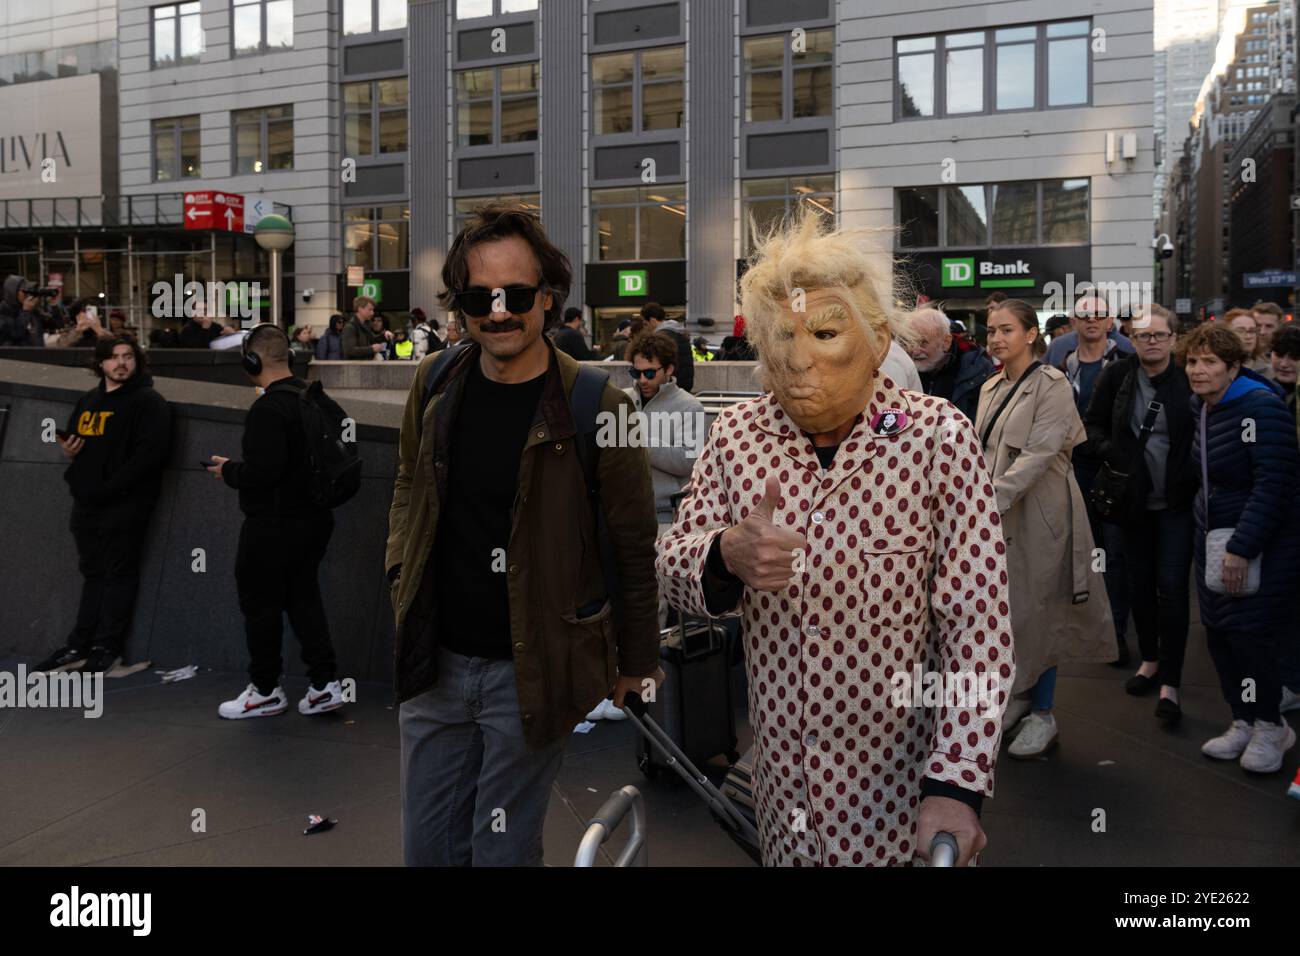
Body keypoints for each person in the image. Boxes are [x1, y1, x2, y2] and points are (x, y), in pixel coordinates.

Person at [656, 211, 1016, 867]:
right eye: (780, 337)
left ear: (879, 341)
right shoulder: (735, 437)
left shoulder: (939, 438)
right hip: (784, 804)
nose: (798, 360)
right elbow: (675, 562)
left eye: (825, 332)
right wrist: (726, 553)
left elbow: (978, 624)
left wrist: (957, 785)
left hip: (900, 806)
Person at [386, 201, 662, 866]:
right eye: (480, 296)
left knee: (501, 850)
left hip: (533, 669)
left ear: (546, 296)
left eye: (515, 293)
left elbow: (632, 542)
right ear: (460, 303)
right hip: (436, 664)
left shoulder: (600, 404)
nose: (499, 310)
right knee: (427, 849)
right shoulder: (435, 381)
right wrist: (400, 569)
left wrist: (637, 662)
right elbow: (404, 483)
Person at [976, 298, 1114, 759]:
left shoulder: (1053, 384)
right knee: (1010, 612)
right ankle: (1020, 696)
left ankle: (1044, 714)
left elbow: (1038, 454)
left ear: (1031, 334)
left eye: (1006, 330)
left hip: (1042, 514)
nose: (996, 338)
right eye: (991, 330)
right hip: (1002, 514)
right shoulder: (990, 386)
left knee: (1045, 610)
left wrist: (984, 503)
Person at [206, 324, 346, 720]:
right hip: (315, 521)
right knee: (303, 597)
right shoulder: (313, 397)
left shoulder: (268, 409)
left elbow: (261, 474)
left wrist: (229, 470)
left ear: (252, 360)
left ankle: (265, 690)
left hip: (272, 526)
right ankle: (323, 685)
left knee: (261, 605)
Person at [1182, 322, 1300, 773]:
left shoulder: (1260, 408)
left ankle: (1273, 726)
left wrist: (1243, 546)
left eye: (1210, 361)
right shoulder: (1204, 407)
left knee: (1252, 639)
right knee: (1220, 636)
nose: (1198, 369)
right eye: (1193, 361)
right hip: (1213, 539)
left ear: (1233, 367)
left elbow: (1275, 484)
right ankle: (1244, 719)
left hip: (1259, 543)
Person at [32, 335, 172, 675]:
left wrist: (109, 489)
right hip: (87, 504)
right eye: (113, 357)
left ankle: (106, 649)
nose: (121, 362)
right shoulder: (88, 400)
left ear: (137, 361)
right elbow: (78, 445)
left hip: (125, 506)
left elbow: (148, 458)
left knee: (118, 575)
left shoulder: (148, 402)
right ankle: (78, 645)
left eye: (127, 356)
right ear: (100, 363)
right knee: (93, 574)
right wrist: (71, 451)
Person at [1083, 304, 1195, 724]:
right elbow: (1090, 426)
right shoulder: (1117, 376)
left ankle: (1172, 682)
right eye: (1143, 335)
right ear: (1131, 338)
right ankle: (1149, 660)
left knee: (1172, 588)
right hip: (1132, 502)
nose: (1151, 342)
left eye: (1159, 335)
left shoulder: (1187, 378)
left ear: (1172, 339)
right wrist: (1116, 451)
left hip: (1177, 502)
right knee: (1138, 584)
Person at [1060, 294, 1131, 665]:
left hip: (1114, 469)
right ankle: (1092, 628)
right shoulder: (1062, 361)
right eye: (1084, 316)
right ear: (1074, 321)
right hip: (1074, 469)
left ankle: (1117, 630)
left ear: (1110, 321)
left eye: (1099, 315)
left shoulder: (1126, 359)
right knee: (1088, 552)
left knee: (1114, 551)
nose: (1091, 321)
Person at [623, 330, 705, 524]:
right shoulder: (622, 399)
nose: (642, 380)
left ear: (669, 369)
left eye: (650, 373)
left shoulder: (690, 406)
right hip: (623, 510)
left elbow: (689, 461)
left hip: (666, 515)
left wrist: (640, 441)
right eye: (636, 373)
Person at [1268, 325, 1300, 726]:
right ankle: (1289, 681)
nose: (1286, 362)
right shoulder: (1265, 394)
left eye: (1294, 356)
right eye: (1280, 354)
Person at [906, 306, 995, 422]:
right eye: (910, 342)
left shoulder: (978, 369)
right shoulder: (903, 366)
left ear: (946, 342)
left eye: (923, 342)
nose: (915, 350)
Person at [642, 302, 694, 393]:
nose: (646, 328)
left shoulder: (661, 337)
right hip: (684, 385)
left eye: (646, 324)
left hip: (670, 388)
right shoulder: (679, 332)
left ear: (652, 320)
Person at [1226, 307, 1272, 378]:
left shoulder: (1270, 371)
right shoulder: (1220, 369)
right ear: (1227, 334)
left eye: (1252, 331)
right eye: (1240, 331)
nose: (1248, 336)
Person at [0, 276, 45, 346]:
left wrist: (54, 305)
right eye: (25, 291)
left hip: (37, 355)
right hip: (13, 356)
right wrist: (26, 312)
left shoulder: (32, 311)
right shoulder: (3, 312)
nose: (28, 294)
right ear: (12, 292)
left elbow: (58, 324)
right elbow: (15, 333)